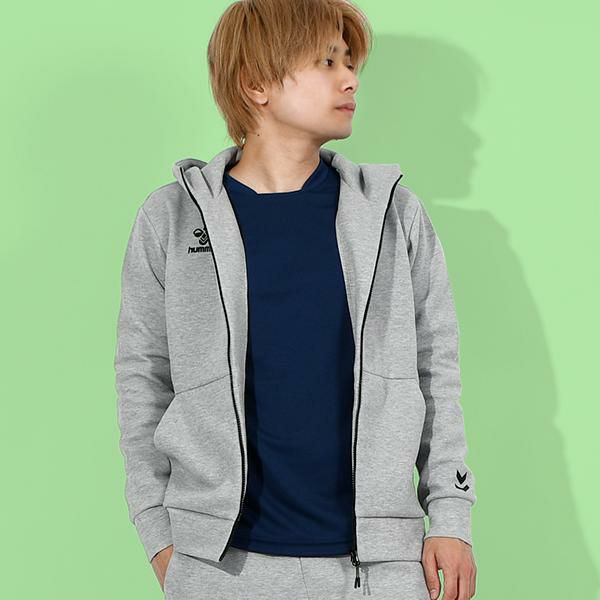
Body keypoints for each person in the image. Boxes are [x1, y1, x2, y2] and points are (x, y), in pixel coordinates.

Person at [114, 0, 478, 598]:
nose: (350, 78)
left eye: (350, 61)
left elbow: (435, 370)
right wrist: (159, 535)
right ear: (255, 84)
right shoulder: (173, 219)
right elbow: (143, 380)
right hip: (220, 566)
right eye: (327, 61)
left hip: (378, 566)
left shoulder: (392, 214)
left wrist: (451, 517)